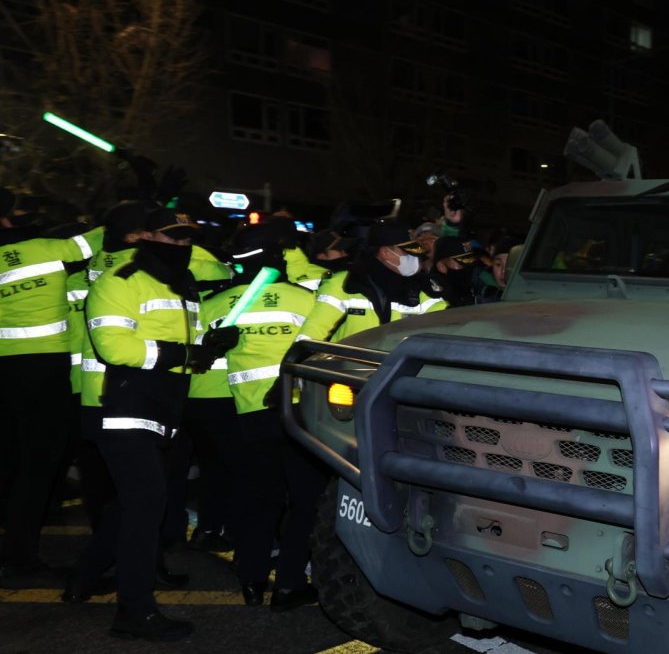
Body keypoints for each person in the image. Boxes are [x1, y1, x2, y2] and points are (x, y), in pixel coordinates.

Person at [71, 208, 238, 640]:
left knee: (131, 503)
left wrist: (210, 345)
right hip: (119, 402)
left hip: (161, 406)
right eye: (171, 239)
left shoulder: (182, 285)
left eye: (186, 241)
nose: (180, 247)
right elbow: (115, 346)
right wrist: (187, 355)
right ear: (144, 236)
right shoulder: (119, 282)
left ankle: (84, 577)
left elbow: (179, 345)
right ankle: (134, 611)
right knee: (146, 503)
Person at [212, 224, 324, 609]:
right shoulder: (306, 300)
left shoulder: (219, 304)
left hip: (249, 415)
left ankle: (251, 581)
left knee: (259, 500)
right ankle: (290, 585)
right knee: (303, 502)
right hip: (299, 414)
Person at [0, 192, 101, 587]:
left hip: (4, 370)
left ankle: (15, 548)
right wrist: (149, 194)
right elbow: (105, 234)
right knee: (39, 465)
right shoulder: (47, 249)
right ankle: (21, 558)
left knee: (10, 461)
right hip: (44, 368)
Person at [295, 223, 446, 343]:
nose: (414, 258)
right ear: (385, 252)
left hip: (398, 374)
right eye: (407, 253)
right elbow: (313, 333)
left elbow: (441, 332)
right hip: (347, 375)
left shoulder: (424, 288)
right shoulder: (346, 284)